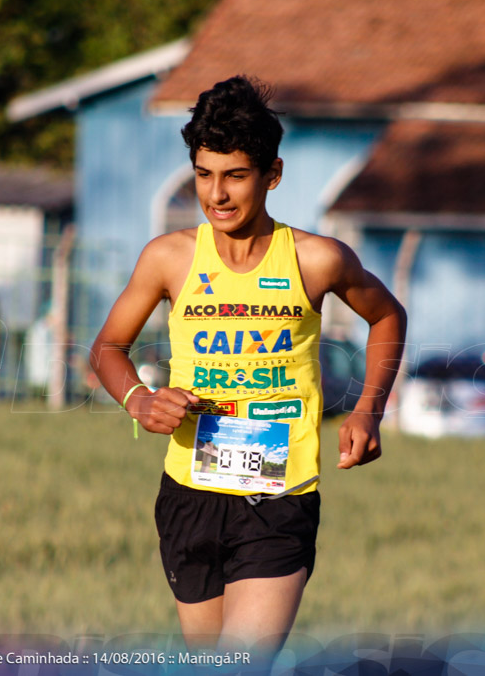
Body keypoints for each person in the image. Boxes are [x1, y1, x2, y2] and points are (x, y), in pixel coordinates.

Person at [89, 76, 406, 657]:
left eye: (235, 175)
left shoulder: (317, 259)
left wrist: (369, 411)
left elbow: (388, 317)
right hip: (189, 493)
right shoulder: (169, 258)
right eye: (204, 175)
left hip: (278, 497)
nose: (217, 195)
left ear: (272, 174)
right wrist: (140, 400)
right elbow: (107, 349)